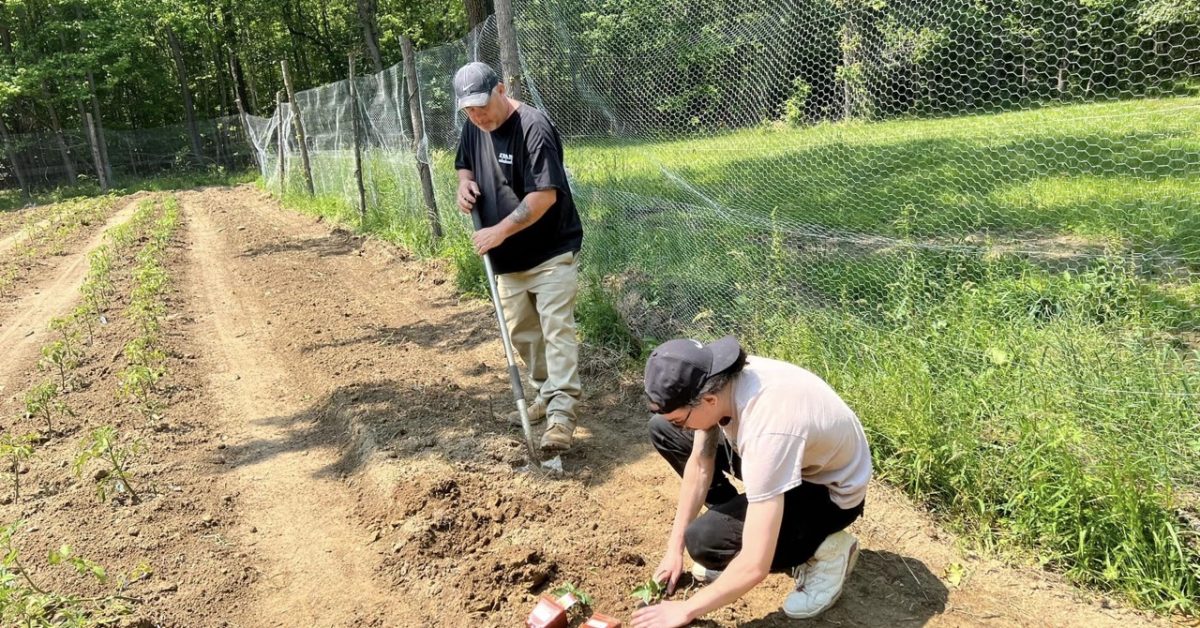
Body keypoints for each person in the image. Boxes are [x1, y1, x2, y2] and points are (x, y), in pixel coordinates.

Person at [633, 336, 872, 627]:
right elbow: (700, 462)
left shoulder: (767, 430)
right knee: (663, 431)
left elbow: (756, 565)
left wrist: (685, 610)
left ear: (708, 400)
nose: (680, 424)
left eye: (680, 419)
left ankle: (826, 549)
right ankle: (734, 530)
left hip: (830, 494)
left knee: (705, 542)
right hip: (796, 463)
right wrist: (673, 550)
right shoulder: (718, 383)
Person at [452, 62, 584, 452]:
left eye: (481, 106)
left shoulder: (533, 127)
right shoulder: (474, 126)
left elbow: (544, 196)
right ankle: (544, 393)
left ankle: (562, 415)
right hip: (506, 262)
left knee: (556, 330)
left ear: (501, 89)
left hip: (550, 253)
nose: (477, 116)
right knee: (524, 335)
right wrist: (465, 187)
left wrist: (497, 231)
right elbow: (464, 165)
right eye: (468, 110)